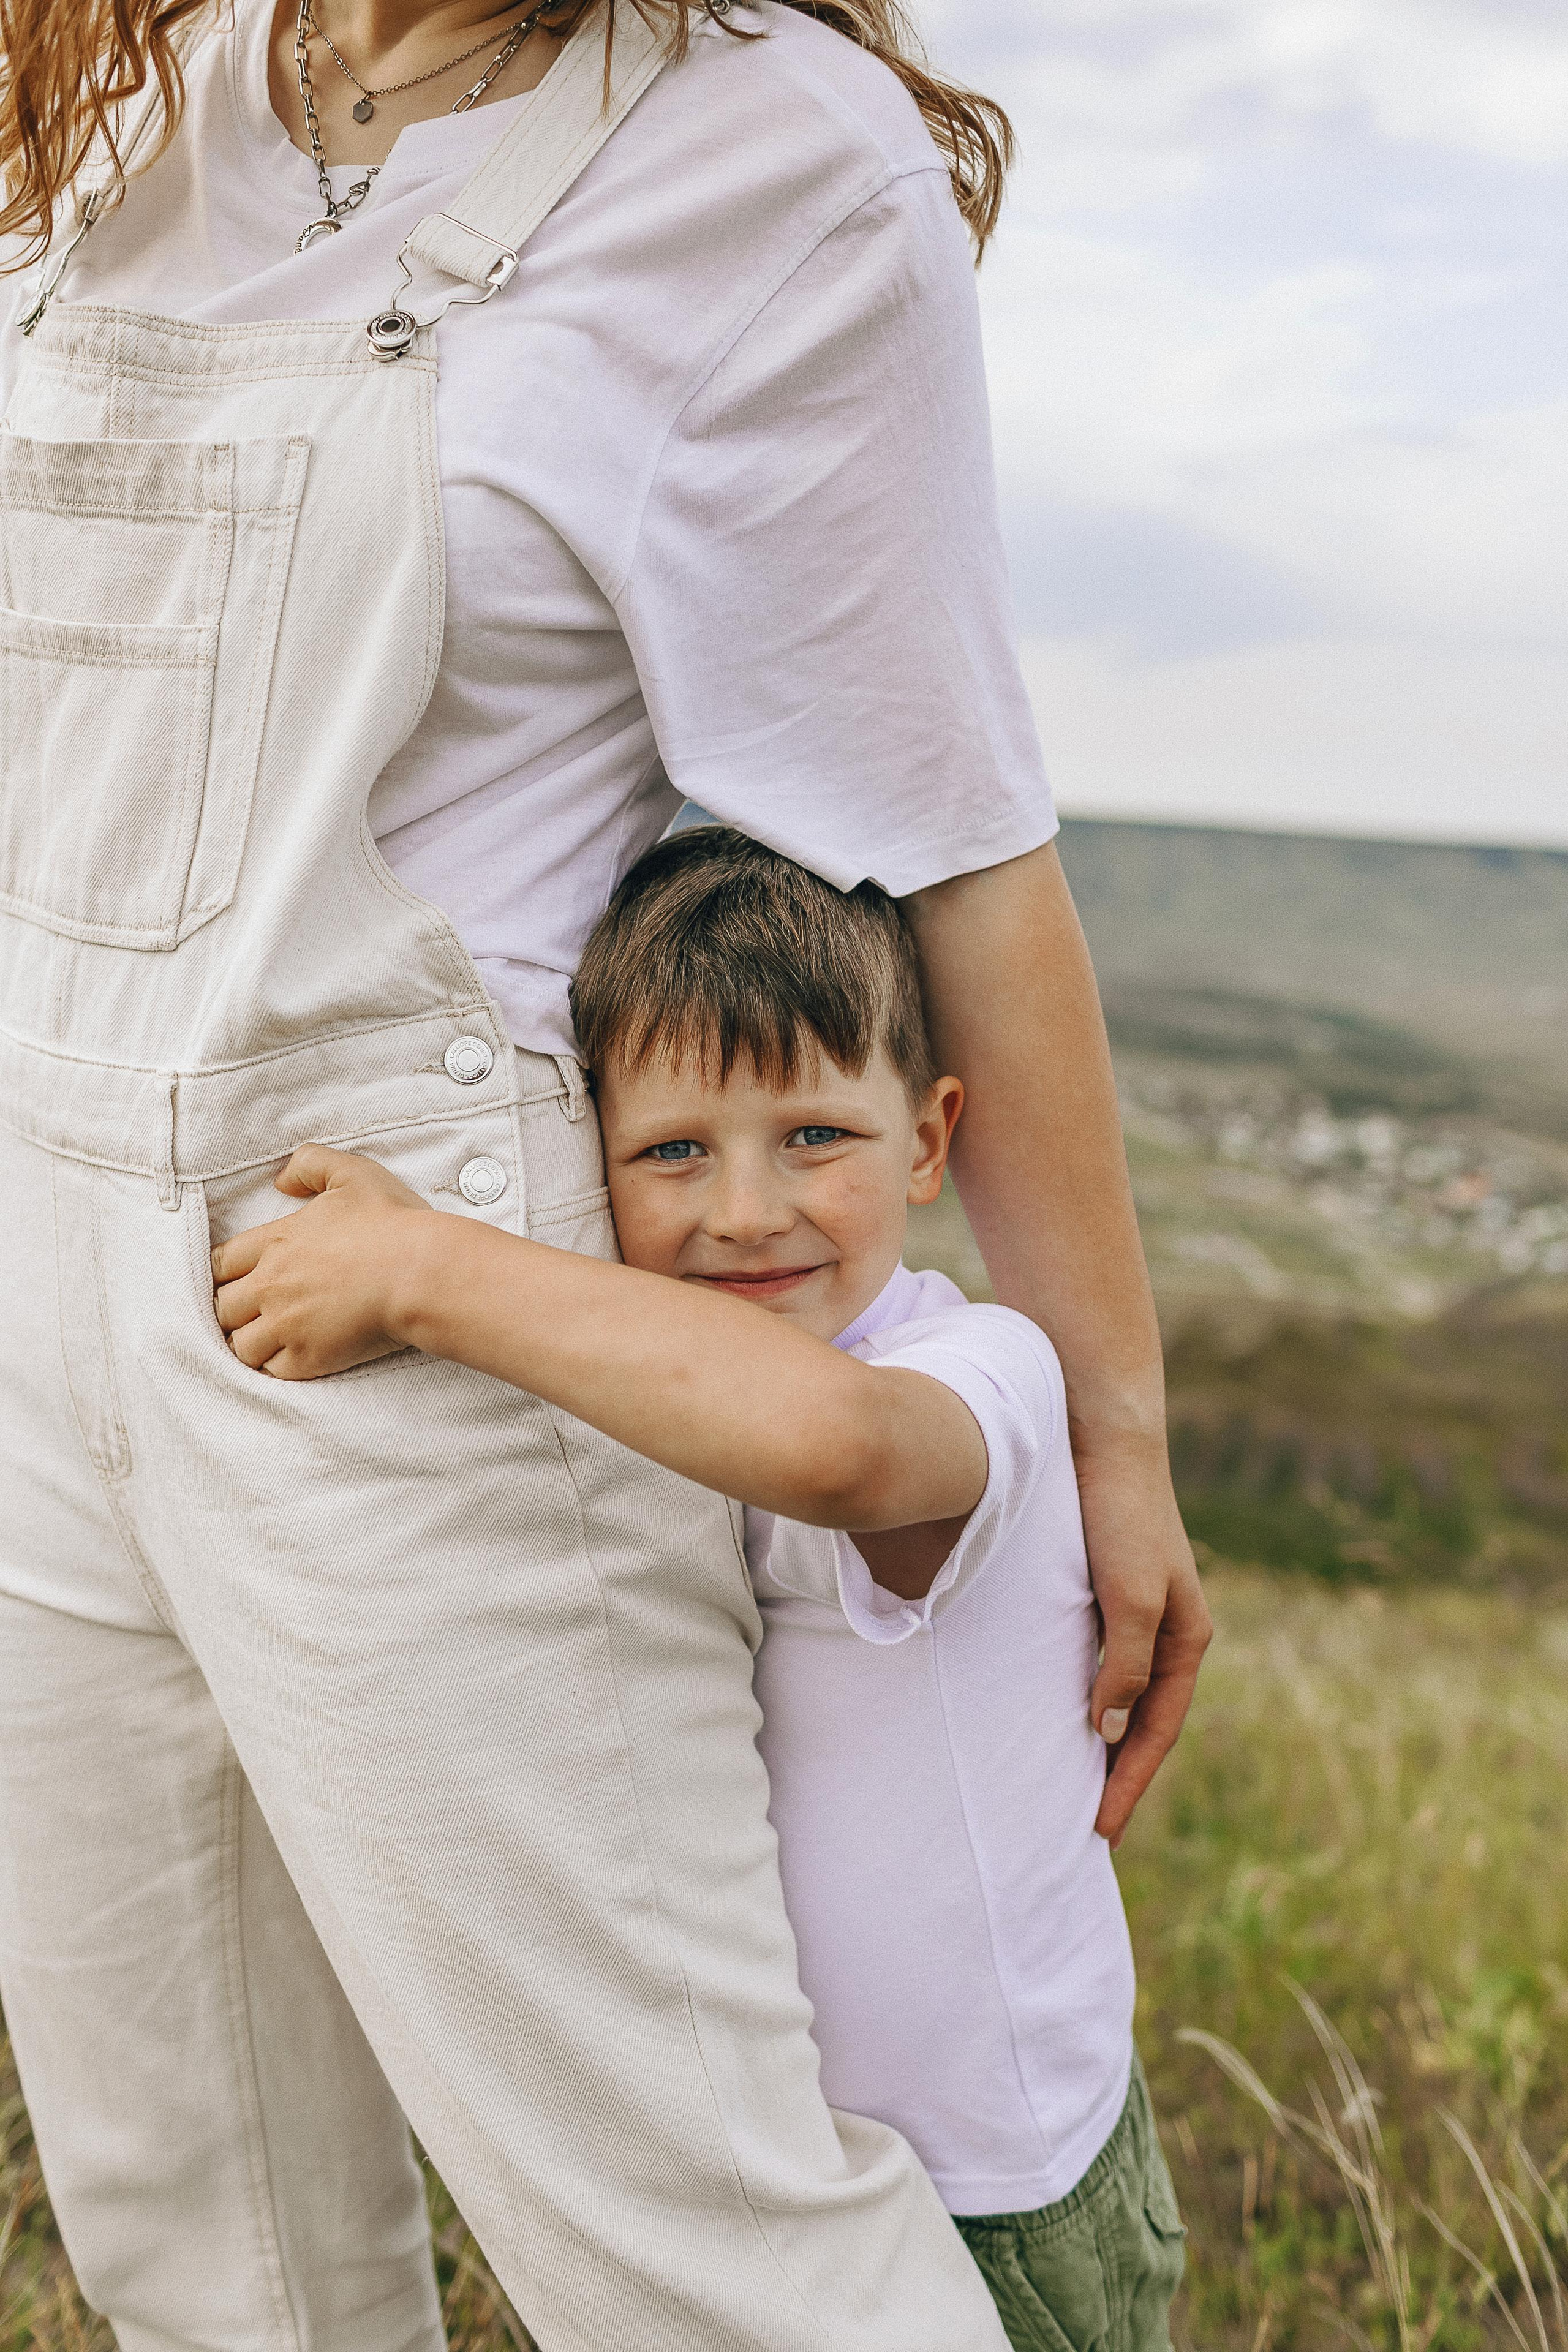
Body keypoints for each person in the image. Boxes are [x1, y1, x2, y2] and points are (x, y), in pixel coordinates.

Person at [0, 0, 1208, 2342]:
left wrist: (1114, 1445)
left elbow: (957, 844)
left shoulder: (775, 159)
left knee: (697, 2249)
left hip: (426, 1316)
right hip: (36, 1293)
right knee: (200, 2233)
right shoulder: (110, 89)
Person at [209, 824, 1192, 2352]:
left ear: (929, 1139)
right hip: (760, 2182)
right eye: (672, 1150)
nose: (743, 1212)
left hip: (996, 2192)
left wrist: (427, 1271)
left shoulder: (978, 1371)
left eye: (816, 1137)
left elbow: (832, 1450)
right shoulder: (650, 1393)